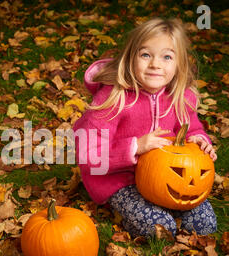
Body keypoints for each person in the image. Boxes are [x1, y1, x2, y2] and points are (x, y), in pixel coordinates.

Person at [73, 17, 217, 238]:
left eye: (167, 57)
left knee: (204, 225)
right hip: (119, 180)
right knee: (159, 229)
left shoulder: (180, 97)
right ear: (131, 58)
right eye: (146, 55)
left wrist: (199, 141)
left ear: (179, 64)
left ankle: (166, 206)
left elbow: (192, 129)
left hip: (167, 177)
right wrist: (135, 147)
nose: (155, 64)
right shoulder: (113, 98)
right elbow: (89, 153)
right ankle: (129, 212)